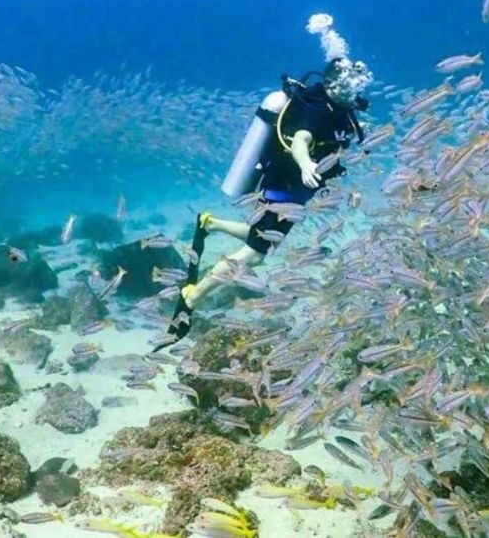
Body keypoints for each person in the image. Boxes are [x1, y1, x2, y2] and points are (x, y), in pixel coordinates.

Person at [157, 56, 371, 345]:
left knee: (265, 239)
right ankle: (193, 295)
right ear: (332, 83)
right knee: (256, 253)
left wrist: (347, 187)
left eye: (355, 86)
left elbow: (338, 154)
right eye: (347, 86)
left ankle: (211, 224)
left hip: (298, 193)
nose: (352, 92)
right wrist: (306, 165)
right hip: (283, 186)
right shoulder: (318, 108)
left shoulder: (344, 112)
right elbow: (301, 140)